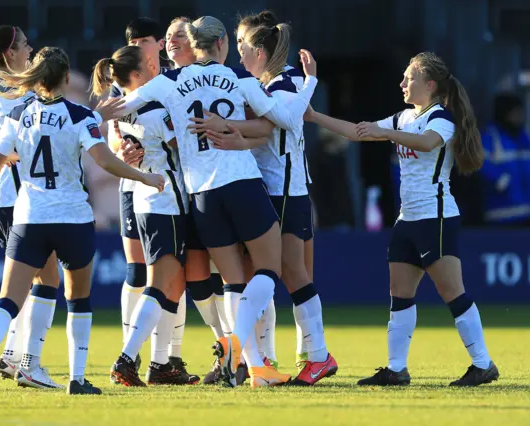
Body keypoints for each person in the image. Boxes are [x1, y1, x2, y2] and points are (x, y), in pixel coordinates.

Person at [100, 15, 318, 388]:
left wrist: (91, 121)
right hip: (241, 182)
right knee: (268, 269)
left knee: (232, 281)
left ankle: (254, 369)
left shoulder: (170, 81)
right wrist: (310, 81)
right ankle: (236, 342)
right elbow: (285, 117)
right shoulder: (237, 76)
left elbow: (122, 106)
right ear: (221, 44)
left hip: (200, 194)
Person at [0, 46, 164, 397]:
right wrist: (144, 178)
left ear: (37, 79)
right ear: (67, 78)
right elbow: (105, 161)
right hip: (72, 218)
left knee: (8, 298)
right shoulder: (81, 115)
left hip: (29, 218)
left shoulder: (18, 115)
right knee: (78, 300)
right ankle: (77, 378)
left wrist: (14, 157)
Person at [304, 52, 499, 387]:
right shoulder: (405, 117)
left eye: (409, 78)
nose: (402, 83)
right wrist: (314, 116)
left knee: (452, 291)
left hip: (435, 218)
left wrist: (388, 134)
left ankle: (483, 364)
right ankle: (397, 369)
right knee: (400, 294)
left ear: (430, 84)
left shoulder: (441, 119)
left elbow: (425, 144)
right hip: (407, 220)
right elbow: (357, 132)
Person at [203, 20, 338, 386]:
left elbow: (289, 122)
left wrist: (311, 82)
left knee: (285, 272)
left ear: (259, 52)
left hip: (284, 191)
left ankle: (313, 356)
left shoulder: (288, 81)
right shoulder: (266, 85)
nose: (239, 50)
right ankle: (265, 358)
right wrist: (235, 138)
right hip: (273, 188)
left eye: (243, 43)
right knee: (274, 274)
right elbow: (266, 137)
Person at [93, 46, 201, 386]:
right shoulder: (154, 108)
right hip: (165, 201)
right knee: (159, 284)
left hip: (142, 200)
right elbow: (179, 146)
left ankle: (160, 365)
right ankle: (126, 360)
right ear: (138, 75)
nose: (155, 67)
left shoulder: (120, 112)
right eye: (148, 64)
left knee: (168, 284)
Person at [0, 25, 62, 388]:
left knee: (28, 281)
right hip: (13, 198)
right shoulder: (9, 89)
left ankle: (10, 356)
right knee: (47, 278)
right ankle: (27, 362)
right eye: (24, 45)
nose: (30, 49)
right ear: (9, 54)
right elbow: (15, 141)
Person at [165, 15, 231, 385]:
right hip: (180, 193)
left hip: (217, 186)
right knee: (196, 275)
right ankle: (223, 344)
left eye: (179, 36)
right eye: (168, 37)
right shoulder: (164, 83)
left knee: (230, 273)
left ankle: (245, 353)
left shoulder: (220, 81)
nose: (172, 42)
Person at [479, 93, 530, 226]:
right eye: (515, 113)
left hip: (525, 212)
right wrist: (500, 180)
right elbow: (480, 163)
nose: (520, 117)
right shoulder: (490, 136)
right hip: (500, 213)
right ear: (505, 113)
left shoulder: (523, 137)